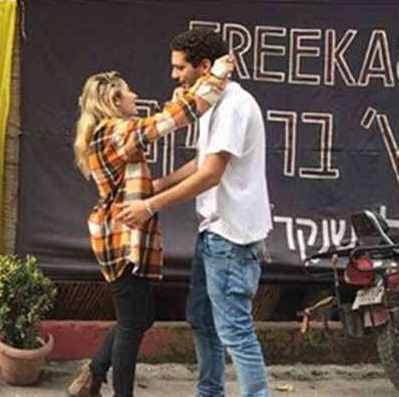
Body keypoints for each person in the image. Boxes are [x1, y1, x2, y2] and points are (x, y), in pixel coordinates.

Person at [117, 28, 273, 397]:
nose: (174, 76)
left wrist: (149, 205)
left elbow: (210, 174)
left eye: (179, 68)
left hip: (231, 238)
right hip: (214, 233)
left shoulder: (234, 106)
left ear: (204, 66)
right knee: (202, 321)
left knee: (235, 330)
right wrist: (158, 185)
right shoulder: (211, 104)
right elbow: (203, 160)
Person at [67, 54, 234, 397]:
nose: (135, 96)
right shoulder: (114, 131)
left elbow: (144, 173)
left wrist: (170, 182)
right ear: (114, 101)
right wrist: (215, 77)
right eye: (129, 93)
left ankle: (93, 375)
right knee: (132, 324)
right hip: (123, 239)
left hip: (123, 237)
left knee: (141, 317)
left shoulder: (110, 134)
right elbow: (174, 119)